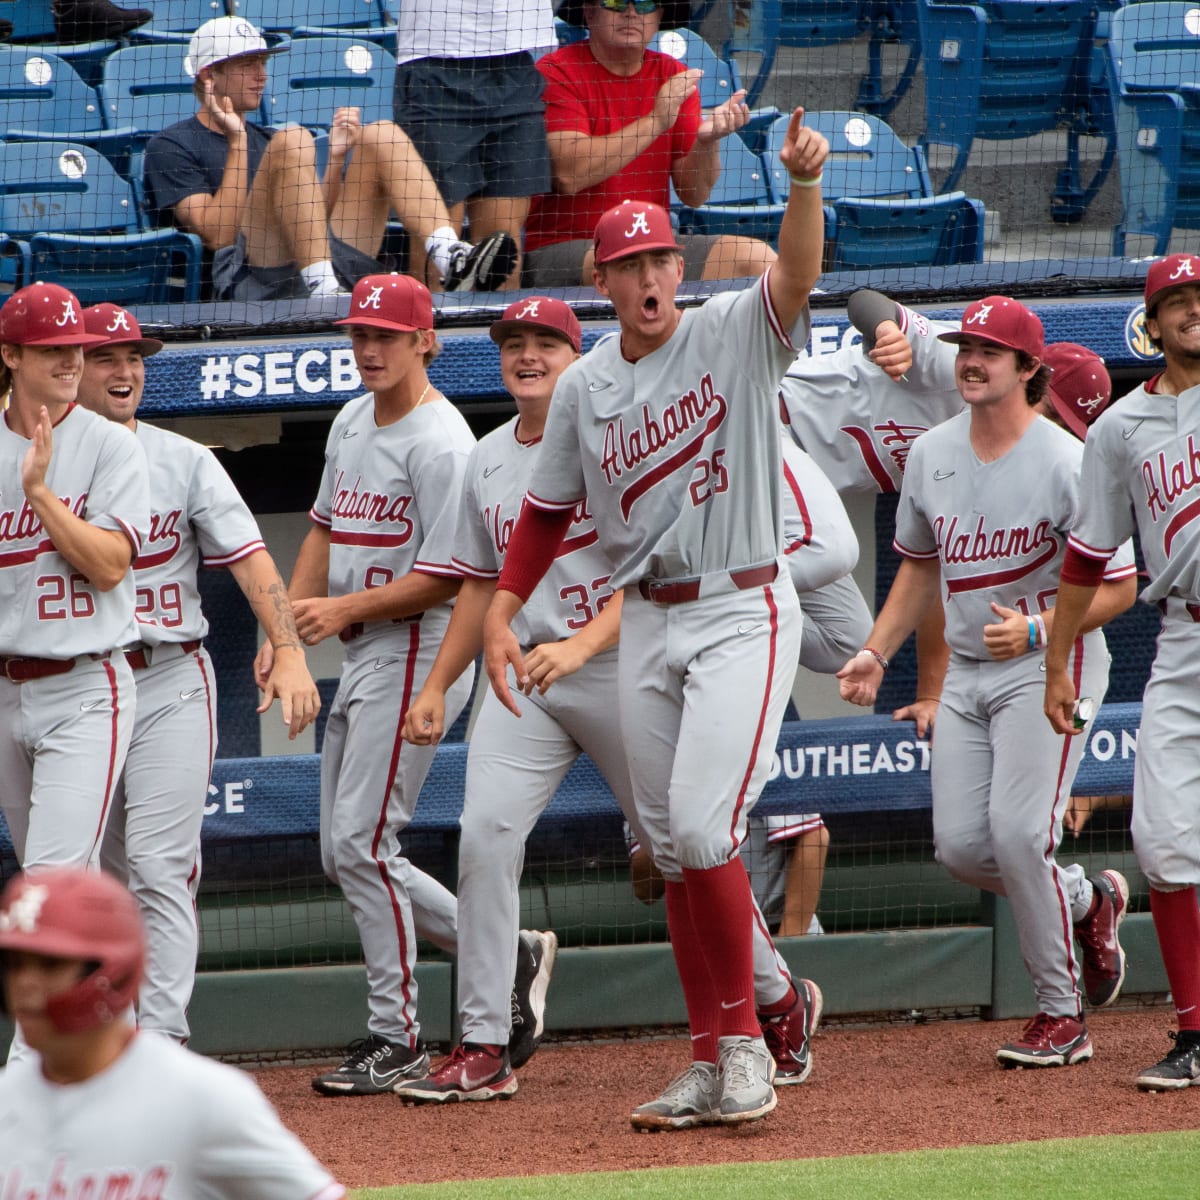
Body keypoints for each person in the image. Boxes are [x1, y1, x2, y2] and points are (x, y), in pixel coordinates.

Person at [482, 106, 829, 1131]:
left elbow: (799, 277)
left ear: (679, 269)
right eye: (626, 264)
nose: (645, 278)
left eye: (658, 260)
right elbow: (546, 513)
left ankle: (748, 1048)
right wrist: (504, 608)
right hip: (649, 619)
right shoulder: (586, 384)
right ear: (603, 282)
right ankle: (708, 1054)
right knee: (673, 850)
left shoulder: (732, 332)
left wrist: (804, 185)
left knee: (703, 829)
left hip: (742, 604)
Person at [837, 295, 1138, 1068]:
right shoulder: (932, 451)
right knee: (963, 849)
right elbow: (919, 566)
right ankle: (1086, 898)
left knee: (1016, 834)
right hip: (969, 672)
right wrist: (876, 649)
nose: (971, 361)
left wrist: (1043, 631)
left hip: (1049, 666)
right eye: (965, 347)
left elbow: (1124, 586)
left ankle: (1061, 1014)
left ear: (1029, 369)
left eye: (990, 352)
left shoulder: (1069, 461)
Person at [269, 273, 550, 1096]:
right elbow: (322, 527)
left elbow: (452, 575)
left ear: (427, 341)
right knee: (341, 849)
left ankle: (398, 1035)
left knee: (362, 845)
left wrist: (339, 608)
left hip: (420, 650)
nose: (369, 349)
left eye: (387, 335)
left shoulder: (442, 442)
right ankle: (504, 952)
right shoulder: (356, 417)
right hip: (363, 650)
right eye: (360, 334)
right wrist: (286, 634)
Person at [74, 301, 321, 1044]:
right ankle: (106, 1034)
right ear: (69, 367)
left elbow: (249, 559)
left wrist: (290, 644)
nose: (125, 372)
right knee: (93, 872)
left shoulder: (182, 458)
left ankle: (164, 1039)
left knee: (161, 864)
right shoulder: (36, 463)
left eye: (134, 358)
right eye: (106, 357)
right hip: (76, 684)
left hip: (168, 679)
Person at [1043, 252, 1200, 1091]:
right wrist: (1058, 664)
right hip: (1182, 642)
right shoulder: (1117, 429)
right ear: (1152, 321)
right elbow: (1087, 556)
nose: (1191, 309)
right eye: (1176, 300)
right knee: (1163, 843)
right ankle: (1194, 1034)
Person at [0, 864, 345, 1198]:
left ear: (111, 972)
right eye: (13, 965)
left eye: (51, 964)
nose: (25, 984)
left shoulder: (201, 1099)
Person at [143, 17, 518, 300]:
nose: (261, 76)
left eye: (263, 64)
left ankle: (449, 255)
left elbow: (313, 222)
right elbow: (217, 235)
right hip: (250, 280)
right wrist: (238, 140)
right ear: (209, 76)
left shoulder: (268, 138)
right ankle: (325, 295)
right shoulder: (171, 145)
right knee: (295, 137)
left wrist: (337, 160)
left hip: (313, 263)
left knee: (381, 132)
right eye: (248, 66)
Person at [0, 283, 148, 884]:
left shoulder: (111, 443)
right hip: (6, 690)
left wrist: (39, 493)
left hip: (84, 684)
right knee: (46, 900)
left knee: (49, 888)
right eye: (51, 348)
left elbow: (111, 564)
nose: (70, 361)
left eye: (76, 347)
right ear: (11, 355)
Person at [522, 0, 775, 287]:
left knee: (759, 258)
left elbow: (694, 194)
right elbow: (570, 174)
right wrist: (655, 121)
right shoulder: (555, 71)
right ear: (589, 11)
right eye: (616, 2)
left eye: (644, 4)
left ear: (659, 16)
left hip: (650, 244)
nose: (631, 13)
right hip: (562, 248)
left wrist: (707, 143)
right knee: (633, 268)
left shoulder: (672, 74)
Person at [392, 0, 555, 289]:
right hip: (434, 58)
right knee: (439, 241)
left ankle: (501, 332)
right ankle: (431, 332)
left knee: (502, 246)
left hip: (514, 58)